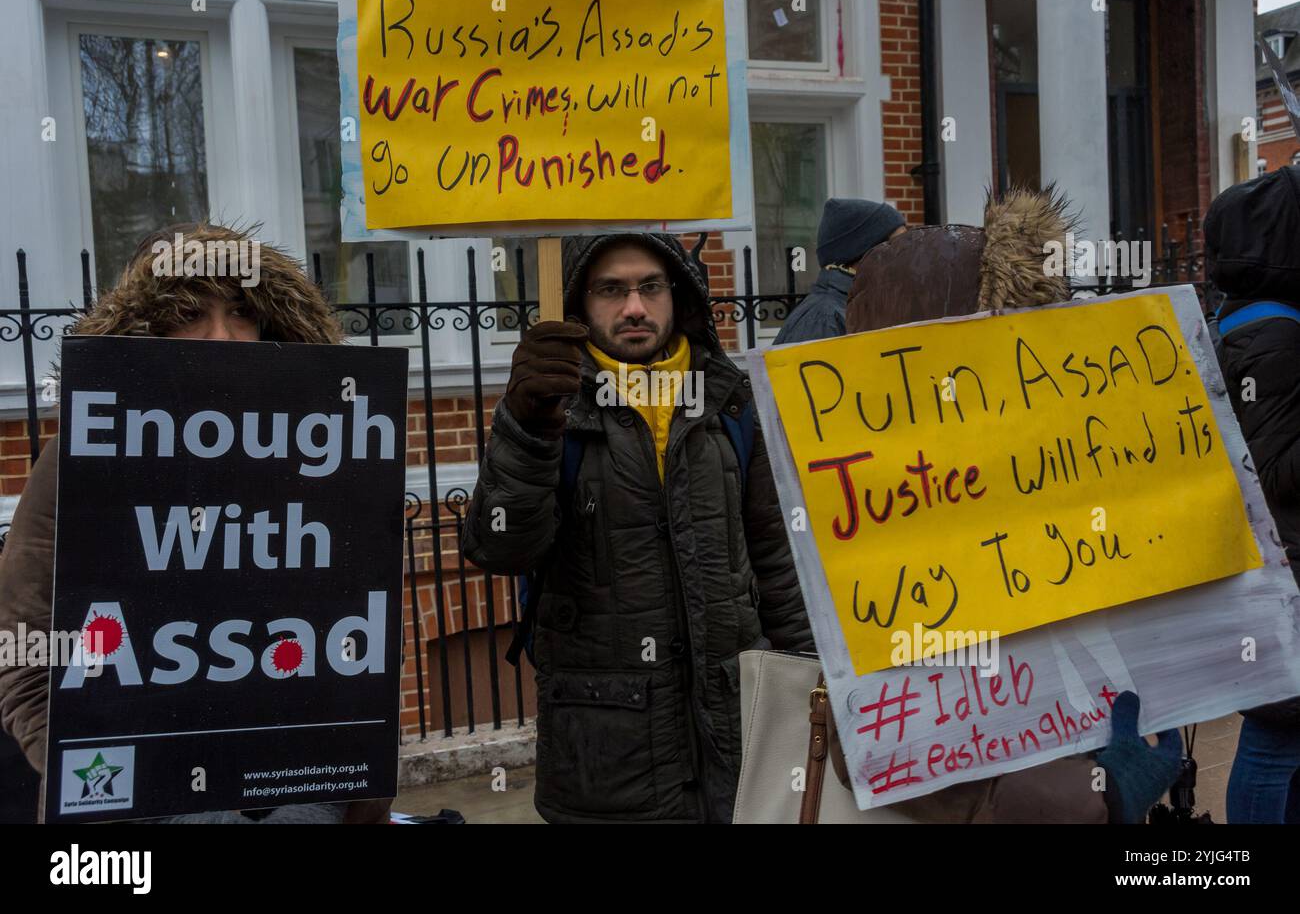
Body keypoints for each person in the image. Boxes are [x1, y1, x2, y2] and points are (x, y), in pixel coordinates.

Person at [0, 222, 390, 824]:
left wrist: (360, 788)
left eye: (241, 311)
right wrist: (96, 778)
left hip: (300, 797)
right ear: (146, 329)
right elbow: (25, 651)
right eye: (190, 312)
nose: (224, 338)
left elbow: (356, 643)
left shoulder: (324, 457)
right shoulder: (82, 453)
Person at [840, 187, 1183, 823]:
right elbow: (874, 743)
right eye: (1005, 336)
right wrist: (1098, 798)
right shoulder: (875, 502)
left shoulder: (1028, 466)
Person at [462, 233, 814, 823]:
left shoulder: (731, 403)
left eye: (650, 287)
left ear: (678, 298)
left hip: (740, 745)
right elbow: (499, 545)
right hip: (610, 764)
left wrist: (817, 686)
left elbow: (778, 563)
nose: (634, 307)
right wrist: (527, 428)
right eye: (611, 290)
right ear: (578, 306)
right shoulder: (551, 406)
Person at [1205, 165, 1300, 824]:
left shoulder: (1254, 322)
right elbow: (1278, 467)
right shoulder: (1271, 335)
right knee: (1275, 736)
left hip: (1283, 568)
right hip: (1287, 574)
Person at [772, 198, 905, 346]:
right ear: (865, 252)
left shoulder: (857, 309)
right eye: (898, 245)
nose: (905, 254)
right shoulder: (823, 320)